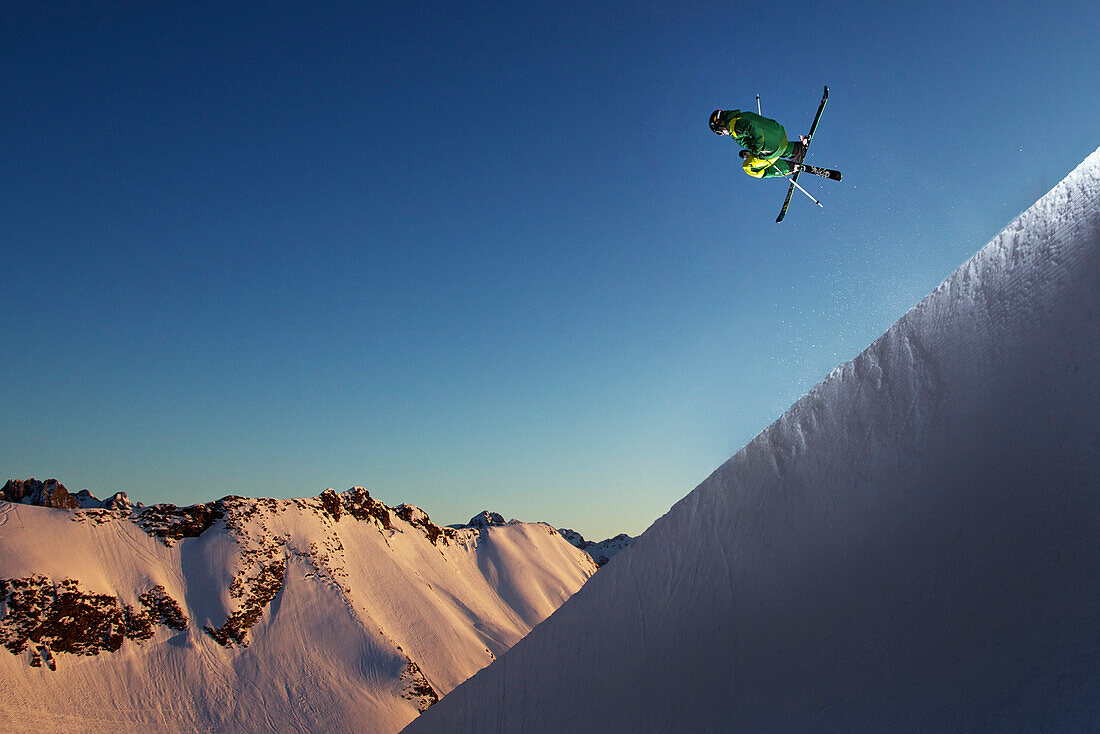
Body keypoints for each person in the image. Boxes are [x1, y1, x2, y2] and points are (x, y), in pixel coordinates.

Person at [710, 109, 808, 179]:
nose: (723, 133)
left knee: (749, 168)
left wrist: (757, 150)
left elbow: (752, 127)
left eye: (720, 132)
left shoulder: (733, 126)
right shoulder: (743, 115)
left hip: (773, 149)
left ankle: (790, 167)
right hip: (781, 135)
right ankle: (796, 150)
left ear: (721, 125)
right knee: (769, 145)